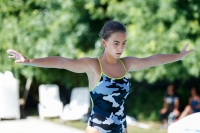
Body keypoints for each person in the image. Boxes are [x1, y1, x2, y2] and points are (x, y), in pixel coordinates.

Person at [7, 20, 193, 133]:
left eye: (124, 43)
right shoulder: (94, 66)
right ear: (104, 42)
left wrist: (179, 55)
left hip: (121, 125)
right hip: (98, 127)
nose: (121, 48)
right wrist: (30, 60)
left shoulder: (125, 64)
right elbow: (62, 62)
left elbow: (154, 59)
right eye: (116, 43)